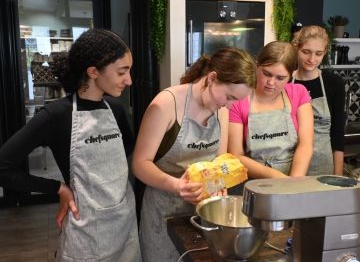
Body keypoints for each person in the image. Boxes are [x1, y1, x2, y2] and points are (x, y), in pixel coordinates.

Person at [0, 29, 142, 261]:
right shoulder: (57, 115)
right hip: (86, 236)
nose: (129, 80)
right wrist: (59, 188)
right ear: (93, 71)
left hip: (124, 227)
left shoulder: (115, 110)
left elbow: (125, 150)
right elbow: (2, 168)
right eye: (122, 72)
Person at [131, 47, 256, 262]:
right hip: (163, 212)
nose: (229, 105)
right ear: (212, 78)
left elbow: (219, 161)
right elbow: (140, 164)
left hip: (202, 215)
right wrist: (177, 186)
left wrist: (219, 185)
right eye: (229, 97)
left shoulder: (222, 110)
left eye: (236, 101)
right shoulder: (166, 104)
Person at [228, 41, 314, 178]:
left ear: (290, 76)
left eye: (280, 78)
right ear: (257, 66)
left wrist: (294, 182)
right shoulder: (239, 99)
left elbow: (305, 145)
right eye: (267, 74)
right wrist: (278, 178)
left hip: (294, 179)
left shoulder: (298, 93)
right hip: (255, 182)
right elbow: (235, 155)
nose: (271, 82)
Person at [292, 25, 345, 176]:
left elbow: (337, 133)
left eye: (318, 54)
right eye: (306, 52)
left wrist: (338, 176)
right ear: (297, 48)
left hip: (323, 167)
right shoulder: (286, 81)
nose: (312, 59)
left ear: (325, 52)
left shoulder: (334, 83)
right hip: (290, 165)